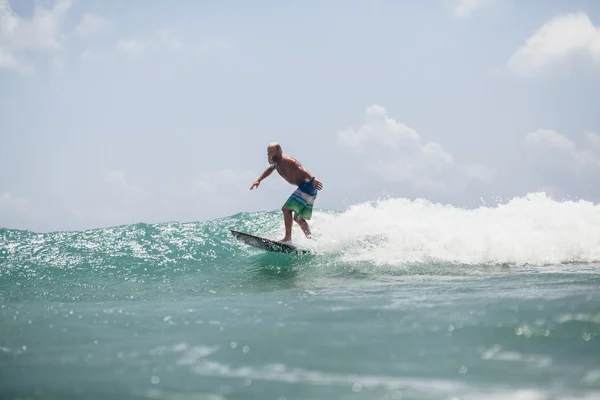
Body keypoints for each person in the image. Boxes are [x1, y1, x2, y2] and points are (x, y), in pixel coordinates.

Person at [250, 142, 323, 243]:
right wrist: (259, 180)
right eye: (269, 153)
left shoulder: (287, 160)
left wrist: (313, 179)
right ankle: (310, 240)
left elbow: (301, 168)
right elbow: (270, 169)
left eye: (272, 152)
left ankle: (287, 238)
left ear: (279, 151)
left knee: (286, 209)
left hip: (308, 186)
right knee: (298, 218)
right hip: (308, 188)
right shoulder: (277, 162)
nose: (270, 155)